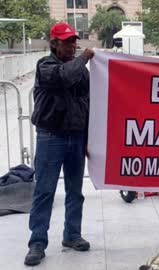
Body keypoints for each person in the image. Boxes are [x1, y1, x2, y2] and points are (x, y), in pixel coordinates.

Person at [24, 22, 95, 266]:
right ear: (54, 44)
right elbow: (64, 77)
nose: (73, 46)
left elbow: (87, 105)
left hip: (76, 137)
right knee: (45, 191)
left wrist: (88, 139)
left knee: (75, 191)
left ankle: (72, 235)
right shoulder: (46, 66)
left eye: (74, 42)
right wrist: (86, 57)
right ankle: (37, 242)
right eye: (67, 42)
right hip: (51, 137)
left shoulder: (81, 71)